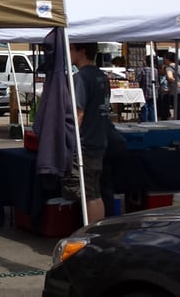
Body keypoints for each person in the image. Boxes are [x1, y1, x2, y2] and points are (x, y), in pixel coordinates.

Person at [64, 42, 110, 223]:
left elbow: (79, 113)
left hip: (85, 142)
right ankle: (95, 230)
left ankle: (92, 232)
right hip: (98, 139)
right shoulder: (101, 76)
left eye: (71, 49)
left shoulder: (81, 77)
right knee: (94, 191)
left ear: (81, 51)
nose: (69, 53)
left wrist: (69, 140)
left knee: (89, 193)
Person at [162, 52, 180, 121]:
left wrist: (175, 82)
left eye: (164, 58)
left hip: (176, 92)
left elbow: (170, 77)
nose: (164, 60)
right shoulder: (179, 66)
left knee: (178, 112)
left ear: (167, 59)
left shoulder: (168, 68)